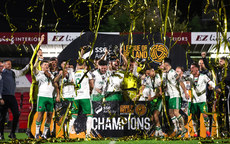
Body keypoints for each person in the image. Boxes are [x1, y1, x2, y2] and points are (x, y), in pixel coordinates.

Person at [0, 59, 29, 139]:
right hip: (3, 97)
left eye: (11, 64)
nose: (10, 65)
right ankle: (1, 134)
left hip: (12, 96)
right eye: (8, 64)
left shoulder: (13, 72)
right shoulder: (1, 72)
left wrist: (29, 65)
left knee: (16, 114)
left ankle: (12, 133)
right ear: (4, 65)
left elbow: (22, 72)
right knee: (2, 117)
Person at [189, 63, 218, 137]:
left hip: (202, 100)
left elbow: (211, 82)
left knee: (205, 115)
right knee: (194, 116)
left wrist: (215, 87)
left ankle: (208, 132)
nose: (191, 69)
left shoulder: (204, 76)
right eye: (191, 68)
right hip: (194, 101)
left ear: (197, 69)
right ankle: (196, 133)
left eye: (192, 68)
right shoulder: (190, 77)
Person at [162, 58, 188, 137]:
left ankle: (183, 129)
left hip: (176, 95)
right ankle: (177, 129)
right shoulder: (165, 74)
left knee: (176, 112)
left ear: (166, 64)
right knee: (170, 113)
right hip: (171, 96)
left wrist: (186, 92)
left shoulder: (173, 72)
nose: (162, 65)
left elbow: (180, 81)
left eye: (163, 64)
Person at [33, 60, 58, 139]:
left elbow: (54, 81)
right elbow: (34, 70)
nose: (47, 66)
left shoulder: (51, 74)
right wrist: (37, 60)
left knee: (50, 115)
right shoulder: (39, 73)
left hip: (50, 97)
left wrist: (49, 75)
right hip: (42, 96)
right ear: (42, 66)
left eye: (47, 65)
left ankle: (44, 134)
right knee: (40, 114)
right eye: (45, 64)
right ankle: (37, 133)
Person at [69, 59, 93, 138]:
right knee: (89, 115)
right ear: (84, 65)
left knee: (73, 115)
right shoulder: (87, 73)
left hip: (76, 97)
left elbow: (72, 83)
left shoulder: (74, 74)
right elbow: (92, 84)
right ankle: (88, 134)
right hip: (85, 96)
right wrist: (90, 91)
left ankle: (67, 132)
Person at [26, 34, 45, 138]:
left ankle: (39, 130)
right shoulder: (33, 62)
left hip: (42, 89)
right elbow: (35, 53)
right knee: (33, 110)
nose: (40, 54)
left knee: (41, 111)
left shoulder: (43, 64)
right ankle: (28, 129)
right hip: (35, 88)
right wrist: (41, 41)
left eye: (41, 53)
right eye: (39, 53)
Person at [215, 57, 230, 137]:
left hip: (228, 92)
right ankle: (221, 130)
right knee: (219, 111)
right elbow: (217, 81)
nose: (219, 63)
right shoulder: (219, 71)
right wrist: (217, 88)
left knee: (228, 111)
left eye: (221, 61)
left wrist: (224, 85)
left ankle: (228, 129)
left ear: (225, 62)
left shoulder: (228, 70)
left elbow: (227, 79)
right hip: (220, 94)